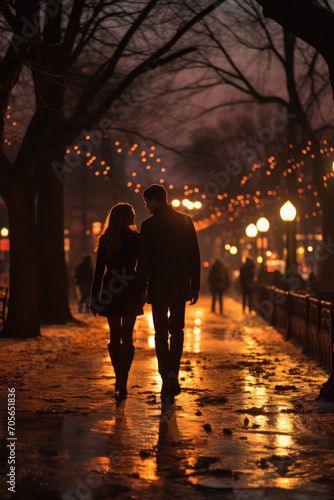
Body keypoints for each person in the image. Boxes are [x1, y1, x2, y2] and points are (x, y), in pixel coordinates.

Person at [137, 184, 201, 407]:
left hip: (158, 287)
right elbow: (195, 254)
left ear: (155, 200)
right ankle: (173, 370)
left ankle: (164, 375)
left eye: (147, 201)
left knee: (161, 333)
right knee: (177, 330)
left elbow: (143, 260)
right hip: (180, 285)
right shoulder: (185, 221)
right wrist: (195, 286)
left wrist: (141, 288)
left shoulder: (148, 226)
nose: (146, 206)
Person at [90, 203, 143, 402]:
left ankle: (118, 375)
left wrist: (95, 297)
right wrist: (143, 289)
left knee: (115, 335)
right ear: (126, 217)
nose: (134, 216)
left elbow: (98, 271)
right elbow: (142, 266)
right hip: (130, 288)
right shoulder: (137, 239)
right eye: (132, 214)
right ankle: (124, 378)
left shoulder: (105, 241)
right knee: (128, 336)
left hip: (111, 289)